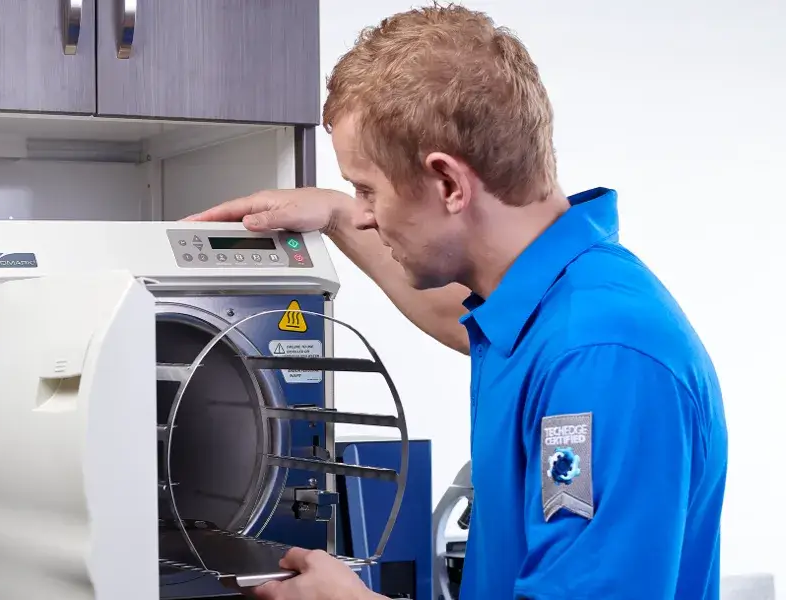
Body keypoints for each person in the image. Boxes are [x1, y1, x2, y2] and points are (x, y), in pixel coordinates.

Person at [186, 4, 728, 600]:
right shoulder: (553, 303)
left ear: (448, 184)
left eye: (367, 189)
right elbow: (457, 321)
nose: (366, 212)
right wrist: (339, 217)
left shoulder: (601, 358)